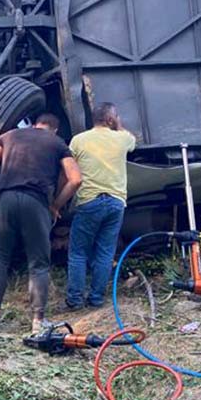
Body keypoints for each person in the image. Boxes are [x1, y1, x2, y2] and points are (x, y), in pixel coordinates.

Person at [0, 113, 82, 335]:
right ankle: (38, 322)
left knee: (0, 257)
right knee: (38, 264)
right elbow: (75, 179)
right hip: (36, 203)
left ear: (35, 125)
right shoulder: (57, 143)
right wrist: (55, 205)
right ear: (54, 129)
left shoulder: (10, 135)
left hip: (6, 199)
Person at [64, 103, 137, 309]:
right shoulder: (122, 138)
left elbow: (69, 167)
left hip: (89, 201)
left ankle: (75, 299)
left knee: (78, 253)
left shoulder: (79, 140)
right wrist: (119, 125)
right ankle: (96, 298)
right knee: (105, 252)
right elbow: (133, 141)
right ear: (111, 120)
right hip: (116, 202)